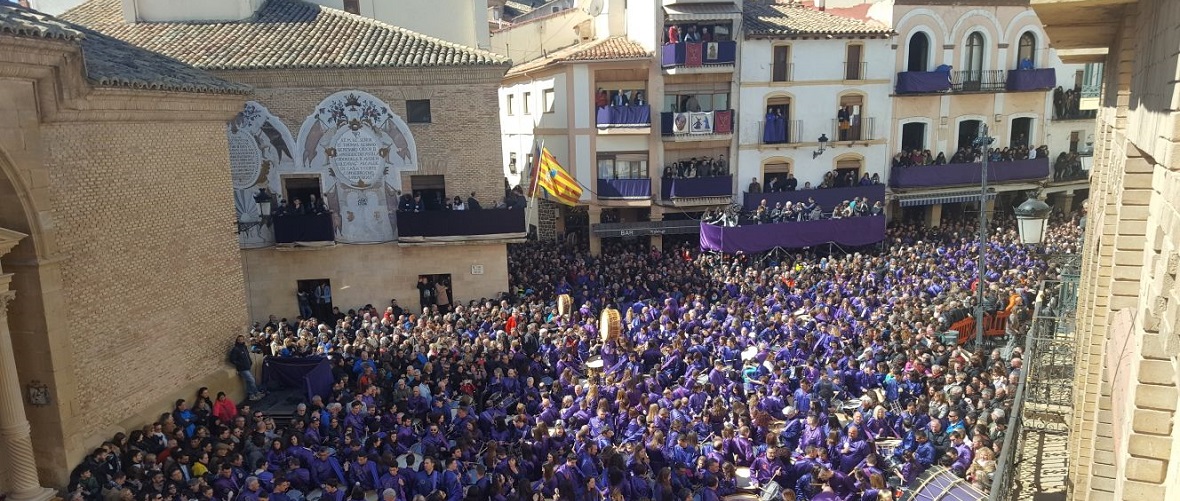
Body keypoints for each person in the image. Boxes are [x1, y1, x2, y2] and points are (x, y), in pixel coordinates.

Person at [229, 335, 262, 401]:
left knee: (248, 381)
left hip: (248, 366)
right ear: (237, 341)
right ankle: (256, 393)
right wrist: (240, 364)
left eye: (242, 339)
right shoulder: (236, 349)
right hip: (242, 369)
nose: (241, 341)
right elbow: (232, 359)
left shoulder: (244, 347)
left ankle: (251, 395)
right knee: (252, 380)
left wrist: (250, 361)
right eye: (239, 340)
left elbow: (247, 355)